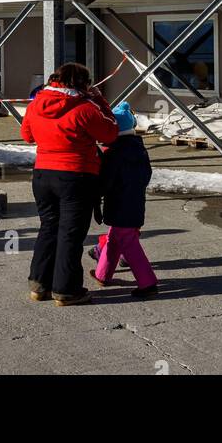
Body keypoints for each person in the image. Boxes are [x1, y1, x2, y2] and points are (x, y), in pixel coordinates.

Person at [20, 61, 118, 306]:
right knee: (70, 235)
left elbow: (27, 136)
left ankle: (39, 283)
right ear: (83, 84)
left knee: (48, 228)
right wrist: (101, 101)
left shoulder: (36, 104)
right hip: (76, 175)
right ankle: (66, 290)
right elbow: (110, 132)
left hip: (43, 174)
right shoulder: (85, 108)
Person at [89, 102, 158, 299]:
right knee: (114, 239)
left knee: (127, 242)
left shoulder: (114, 153)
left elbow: (106, 181)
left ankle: (147, 283)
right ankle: (103, 274)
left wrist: (96, 191)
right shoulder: (138, 150)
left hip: (120, 204)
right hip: (135, 202)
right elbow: (146, 175)